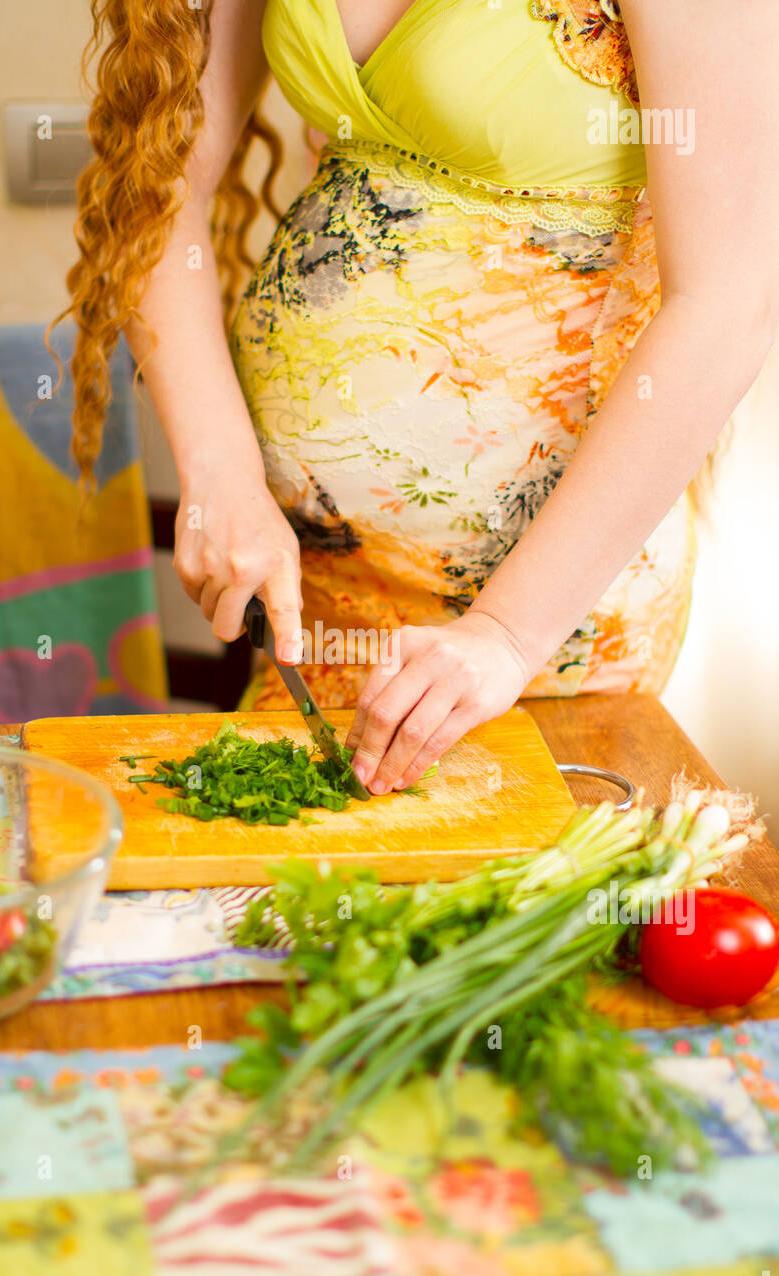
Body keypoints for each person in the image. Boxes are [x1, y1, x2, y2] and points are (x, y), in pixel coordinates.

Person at [54, 0, 779, 795]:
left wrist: (505, 635)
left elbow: (728, 301)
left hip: (546, 611)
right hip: (321, 592)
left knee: (531, 894)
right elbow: (160, 192)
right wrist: (220, 469)